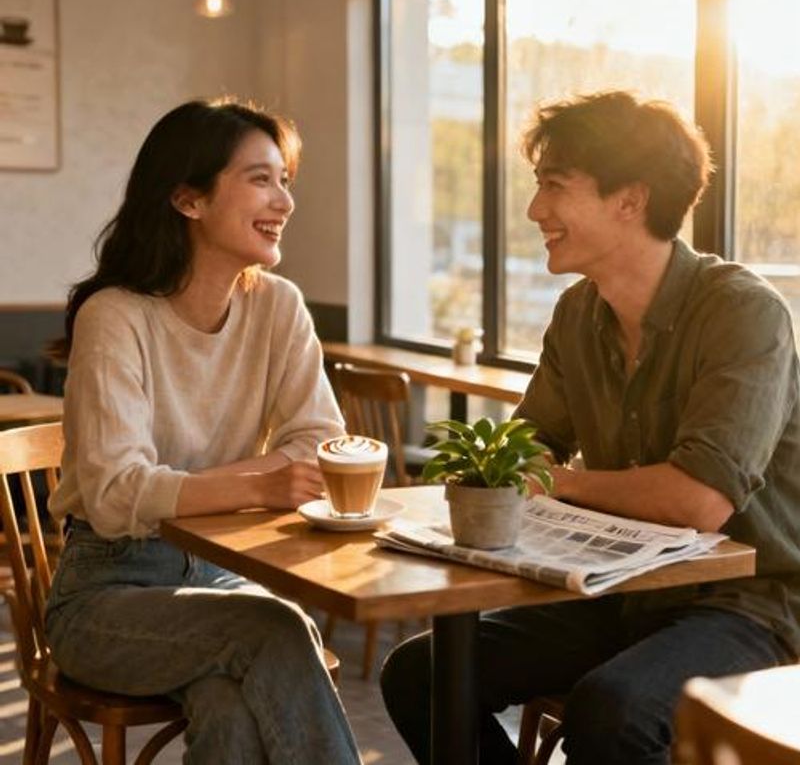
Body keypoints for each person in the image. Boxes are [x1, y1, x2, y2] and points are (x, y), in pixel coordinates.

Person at [380, 90, 800, 764]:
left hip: (745, 607)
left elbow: (699, 500)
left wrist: (554, 481)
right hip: (621, 594)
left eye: (554, 186)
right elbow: (529, 444)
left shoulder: (743, 314)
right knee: (421, 674)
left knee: (615, 711)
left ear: (630, 200)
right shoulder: (579, 313)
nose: (534, 210)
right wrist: (501, 473)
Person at [45, 98, 361, 765]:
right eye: (260, 179)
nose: (285, 201)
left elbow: (317, 446)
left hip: (222, 574)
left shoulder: (279, 306)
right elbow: (113, 495)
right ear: (188, 199)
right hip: (106, 593)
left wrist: (215, 488)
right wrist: (262, 482)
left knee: (230, 709)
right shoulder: (116, 316)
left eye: (285, 180)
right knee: (276, 630)